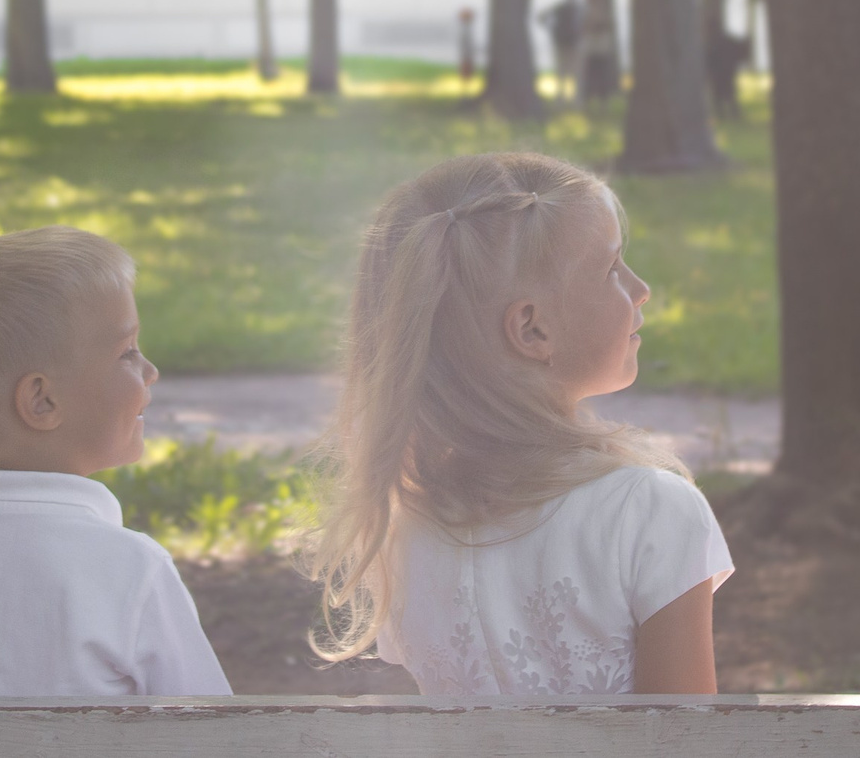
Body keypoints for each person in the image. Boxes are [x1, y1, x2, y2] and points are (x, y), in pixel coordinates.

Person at [308, 153, 730, 694]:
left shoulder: (402, 527)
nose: (641, 286)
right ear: (532, 330)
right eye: (611, 269)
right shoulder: (650, 509)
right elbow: (687, 734)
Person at [0, 226, 230, 697]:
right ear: (42, 400)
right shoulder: (129, 568)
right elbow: (214, 724)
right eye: (126, 352)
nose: (150, 371)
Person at [539, 0, 586, 105]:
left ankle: (565, 100)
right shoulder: (575, 7)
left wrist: (552, 29)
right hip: (569, 43)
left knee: (565, 72)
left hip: (568, 43)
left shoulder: (566, 6)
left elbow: (542, 17)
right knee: (571, 73)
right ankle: (570, 101)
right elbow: (542, 17)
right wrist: (552, 30)